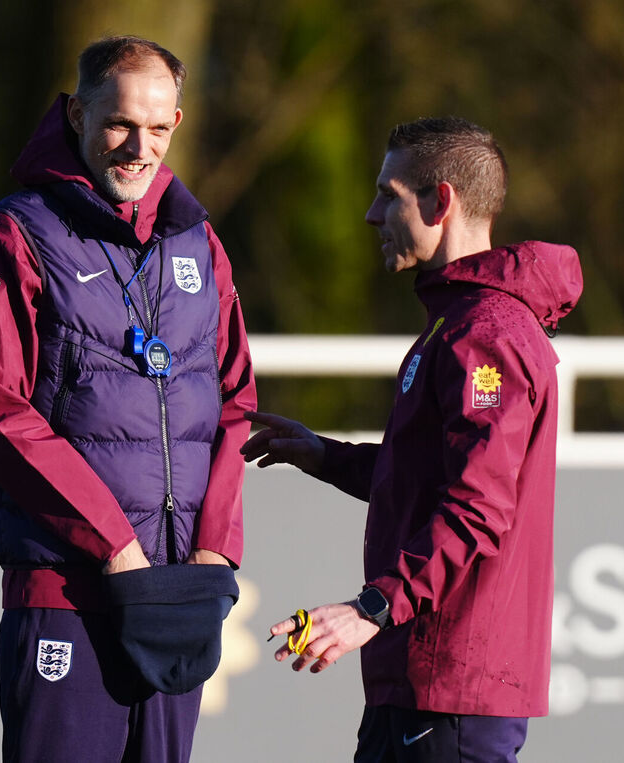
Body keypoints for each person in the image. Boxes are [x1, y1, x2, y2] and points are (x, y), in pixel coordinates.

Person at [242, 117, 583, 762]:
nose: (372, 215)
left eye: (387, 194)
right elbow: (432, 480)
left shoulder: (487, 334)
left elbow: (478, 508)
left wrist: (371, 607)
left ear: (440, 201)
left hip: (452, 686)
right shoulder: (455, 324)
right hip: (421, 679)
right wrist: (322, 455)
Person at [0, 36, 256, 762]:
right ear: (76, 113)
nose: (139, 148)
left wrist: (215, 550)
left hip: (176, 592)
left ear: (177, 124)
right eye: (120, 124)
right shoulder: (15, 232)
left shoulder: (200, 242)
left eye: (157, 128)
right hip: (67, 589)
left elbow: (237, 400)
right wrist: (114, 544)